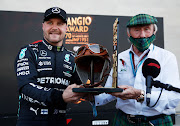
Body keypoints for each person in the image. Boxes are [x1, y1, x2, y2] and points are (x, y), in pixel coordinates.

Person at [94, 14, 180, 126]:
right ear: (128, 33)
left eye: (147, 29)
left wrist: (139, 95)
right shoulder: (120, 57)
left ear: (154, 31)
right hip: (124, 120)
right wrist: (92, 94)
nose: (142, 35)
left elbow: (173, 99)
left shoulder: (167, 57)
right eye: (137, 30)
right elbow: (108, 93)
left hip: (157, 121)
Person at [14, 7, 84, 126]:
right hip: (30, 121)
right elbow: (26, 86)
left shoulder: (72, 58)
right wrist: (60, 96)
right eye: (50, 23)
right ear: (43, 26)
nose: (55, 28)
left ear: (66, 28)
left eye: (60, 24)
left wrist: (92, 90)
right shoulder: (29, 51)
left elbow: (81, 87)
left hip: (59, 121)